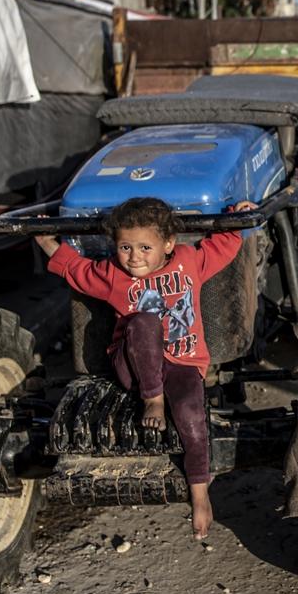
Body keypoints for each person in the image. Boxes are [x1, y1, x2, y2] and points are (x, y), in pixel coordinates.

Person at [36, 196, 256, 539]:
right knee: (143, 323)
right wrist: (46, 239)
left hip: (184, 362)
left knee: (190, 413)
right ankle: (154, 398)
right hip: (134, 369)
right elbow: (76, 270)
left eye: (144, 247)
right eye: (125, 247)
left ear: (168, 244)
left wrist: (236, 215)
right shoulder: (112, 274)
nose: (134, 256)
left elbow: (226, 244)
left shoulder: (188, 261)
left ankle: (200, 494)